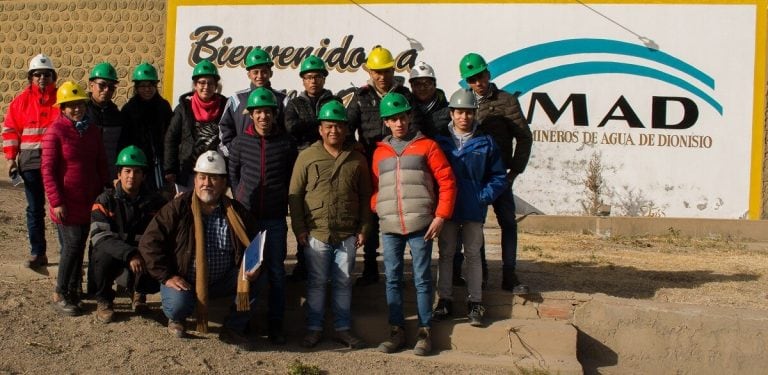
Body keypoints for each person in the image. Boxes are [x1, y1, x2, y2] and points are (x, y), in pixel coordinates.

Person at [139, 150, 261, 350]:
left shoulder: (236, 211)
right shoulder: (178, 207)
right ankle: (176, 319)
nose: (207, 183)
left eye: (214, 178)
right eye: (202, 177)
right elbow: (149, 242)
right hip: (185, 279)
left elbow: (256, 241)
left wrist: (254, 265)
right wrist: (167, 275)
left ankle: (233, 328)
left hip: (222, 280)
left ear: (224, 183)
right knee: (178, 305)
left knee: (257, 279)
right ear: (194, 180)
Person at [371, 93, 456, 356]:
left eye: (402, 117)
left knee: (421, 279)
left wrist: (440, 216)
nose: (399, 123)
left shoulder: (427, 146)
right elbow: (376, 189)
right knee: (392, 280)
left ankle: (424, 333)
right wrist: (380, 208)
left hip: (421, 225)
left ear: (409, 117)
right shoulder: (379, 153)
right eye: (393, 119)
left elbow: (447, 182)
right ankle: (396, 331)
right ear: (386, 122)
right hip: (390, 228)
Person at [288, 100, 371, 350]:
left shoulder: (357, 159)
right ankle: (313, 329)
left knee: (344, 282)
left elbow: (367, 196)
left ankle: (342, 329)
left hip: (347, 233)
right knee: (316, 282)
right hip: (316, 233)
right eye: (328, 126)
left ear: (347, 129)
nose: (333, 131)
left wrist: (364, 228)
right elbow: (295, 194)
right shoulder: (307, 157)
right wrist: (300, 229)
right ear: (320, 129)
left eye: (338, 126)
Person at [339, 45, 421, 286]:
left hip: (401, 162)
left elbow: (415, 126)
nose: (381, 76)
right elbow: (347, 127)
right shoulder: (361, 97)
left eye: (386, 71)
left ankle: (407, 269)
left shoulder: (405, 95)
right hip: (371, 164)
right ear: (369, 71)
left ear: (392, 69)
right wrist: (355, 149)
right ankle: (371, 268)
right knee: (371, 215)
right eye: (377, 71)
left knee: (405, 214)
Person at [459, 52, 533, 294]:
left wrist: (514, 171)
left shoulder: (507, 101)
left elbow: (524, 136)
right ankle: (480, 274)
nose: (477, 82)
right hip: (475, 176)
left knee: (508, 224)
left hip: (500, 176)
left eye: (480, 76)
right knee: (474, 225)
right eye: (471, 79)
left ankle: (509, 274)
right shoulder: (464, 102)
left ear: (488, 74)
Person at [433, 89, 508, 327]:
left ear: (475, 114)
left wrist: (482, 196)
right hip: (448, 209)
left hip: (474, 209)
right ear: (451, 114)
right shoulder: (440, 142)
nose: (464, 117)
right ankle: (444, 300)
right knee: (445, 255)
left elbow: (498, 176)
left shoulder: (486, 142)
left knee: (473, 256)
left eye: (468, 112)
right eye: (459, 112)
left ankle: (475, 302)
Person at [228, 87, 297, 345]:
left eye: (268, 112)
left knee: (277, 272)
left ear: (274, 114)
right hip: (248, 221)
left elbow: (292, 177)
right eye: (259, 112)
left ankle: (276, 325)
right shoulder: (239, 142)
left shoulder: (286, 143)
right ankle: (242, 323)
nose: (263, 117)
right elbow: (233, 175)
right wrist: (241, 198)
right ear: (251, 114)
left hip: (275, 220)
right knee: (248, 272)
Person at [42, 81, 109, 316]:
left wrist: (105, 187)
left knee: (79, 245)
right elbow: (48, 170)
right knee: (70, 247)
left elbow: (100, 161)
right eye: (70, 105)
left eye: (79, 104)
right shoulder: (55, 132)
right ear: (62, 108)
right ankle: (60, 292)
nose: (76, 109)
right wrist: (56, 201)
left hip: (86, 200)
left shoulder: (90, 130)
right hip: (66, 203)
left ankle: (72, 291)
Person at [88, 146, 167, 323]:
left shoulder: (155, 202)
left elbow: (162, 234)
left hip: (140, 253)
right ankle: (105, 300)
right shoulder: (104, 200)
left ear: (144, 175)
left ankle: (139, 293)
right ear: (119, 174)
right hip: (115, 253)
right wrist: (129, 253)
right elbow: (100, 237)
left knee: (154, 252)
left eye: (137, 171)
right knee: (101, 254)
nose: (132, 176)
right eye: (127, 171)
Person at [284, 55, 339, 281]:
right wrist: (318, 123)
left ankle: (325, 263)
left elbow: (338, 127)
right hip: (301, 162)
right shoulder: (295, 103)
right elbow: (291, 128)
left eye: (317, 76)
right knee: (302, 213)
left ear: (324, 78)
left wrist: (310, 127)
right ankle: (302, 262)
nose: (313, 81)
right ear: (302, 80)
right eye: (308, 77)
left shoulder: (333, 101)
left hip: (327, 162)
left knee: (323, 213)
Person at [2, 53, 58, 269]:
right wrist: (10, 159)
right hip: (30, 162)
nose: (42, 78)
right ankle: (38, 253)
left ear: (52, 76)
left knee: (60, 207)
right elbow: (10, 130)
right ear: (31, 78)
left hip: (56, 162)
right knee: (35, 209)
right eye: (37, 75)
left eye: (46, 74)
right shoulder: (21, 101)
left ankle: (66, 252)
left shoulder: (60, 100)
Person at [164, 60, 227, 189]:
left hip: (215, 171)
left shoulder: (225, 107)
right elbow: (171, 138)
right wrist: (170, 169)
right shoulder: (183, 108)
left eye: (210, 83)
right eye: (202, 83)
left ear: (216, 85)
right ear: (195, 85)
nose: (206, 87)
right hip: (188, 171)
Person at [219, 47, 287, 158]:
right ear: (249, 74)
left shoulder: (283, 100)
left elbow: (288, 133)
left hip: (273, 162)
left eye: (264, 71)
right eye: (255, 72)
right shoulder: (236, 100)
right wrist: (234, 153)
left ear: (271, 73)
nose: (260, 76)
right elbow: (224, 128)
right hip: (244, 163)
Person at [119, 62, 173, 192]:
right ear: (136, 88)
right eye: (143, 86)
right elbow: (123, 140)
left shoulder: (164, 107)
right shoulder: (129, 110)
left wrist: (170, 165)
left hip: (159, 164)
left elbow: (171, 137)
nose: (147, 89)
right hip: (136, 163)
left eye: (151, 85)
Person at [86, 62, 127, 178]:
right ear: (91, 85)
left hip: (109, 176)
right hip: (86, 175)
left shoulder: (117, 115)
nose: (106, 90)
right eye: (102, 85)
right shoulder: (80, 112)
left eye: (111, 87)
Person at [408, 61, 450, 139]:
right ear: (411, 86)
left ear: (435, 84)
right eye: (417, 84)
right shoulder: (405, 110)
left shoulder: (449, 110)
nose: (422, 88)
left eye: (426, 83)